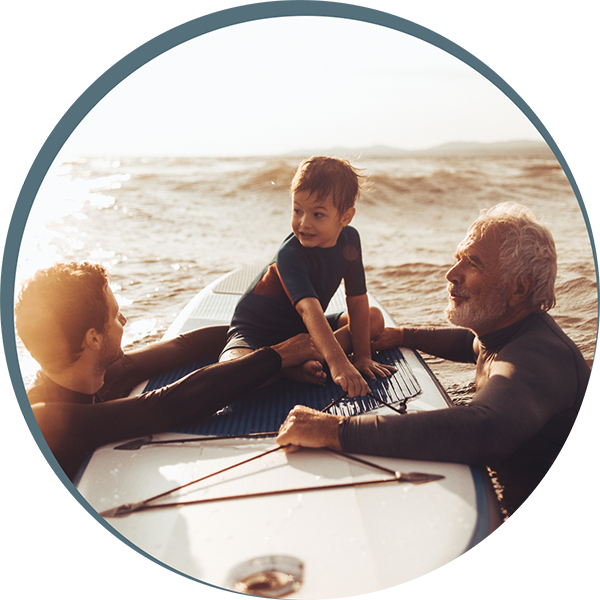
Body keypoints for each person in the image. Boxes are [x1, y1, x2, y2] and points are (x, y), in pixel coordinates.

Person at [276, 202, 590, 515]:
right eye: (457, 260)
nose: (451, 274)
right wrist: (403, 336)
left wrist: (335, 430)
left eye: (473, 264)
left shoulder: (537, 356)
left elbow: (485, 430)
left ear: (519, 289)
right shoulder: (507, 334)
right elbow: (471, 344)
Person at [15, 262, 324, 482]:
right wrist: (278, 356)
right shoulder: (42, 422)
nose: (123, 318)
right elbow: (169, 404)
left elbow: (185, 348)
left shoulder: (97, 376)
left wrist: (319, 331)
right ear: (93, 338)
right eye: (113, 314)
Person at [220, 156, 394, 397]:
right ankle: (286, 368)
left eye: (318, 214)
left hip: (304, 333)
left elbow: (357, 299)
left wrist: (362, 357)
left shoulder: (350, 240)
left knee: (373, 318)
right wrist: (339, 363)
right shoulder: (290, 254)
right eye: (297, 210)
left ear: (345, 217)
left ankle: (298, 361)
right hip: (257, 334)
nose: (304, 223)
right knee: (230, 375)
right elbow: (309, 310)